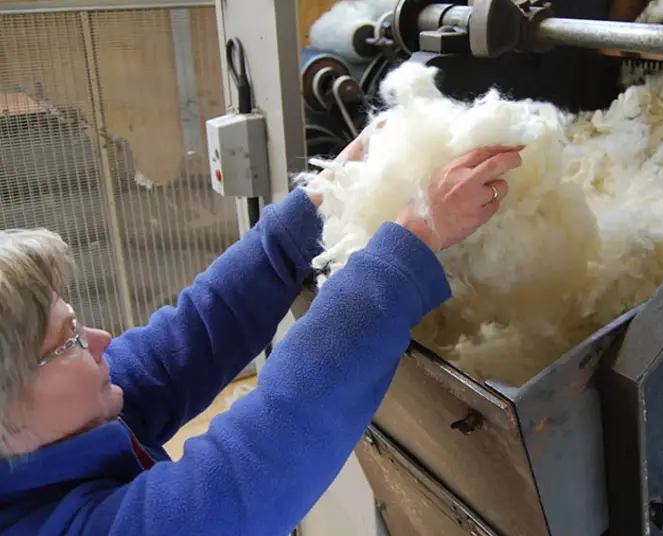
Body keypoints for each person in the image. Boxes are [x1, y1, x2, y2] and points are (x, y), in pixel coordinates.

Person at [0, 124, 523, 536]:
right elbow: (259, 458)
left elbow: (191, 337)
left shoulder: (45, 440)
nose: (100, 341)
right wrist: (412, 239)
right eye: (68, 341)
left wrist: (322, 200)